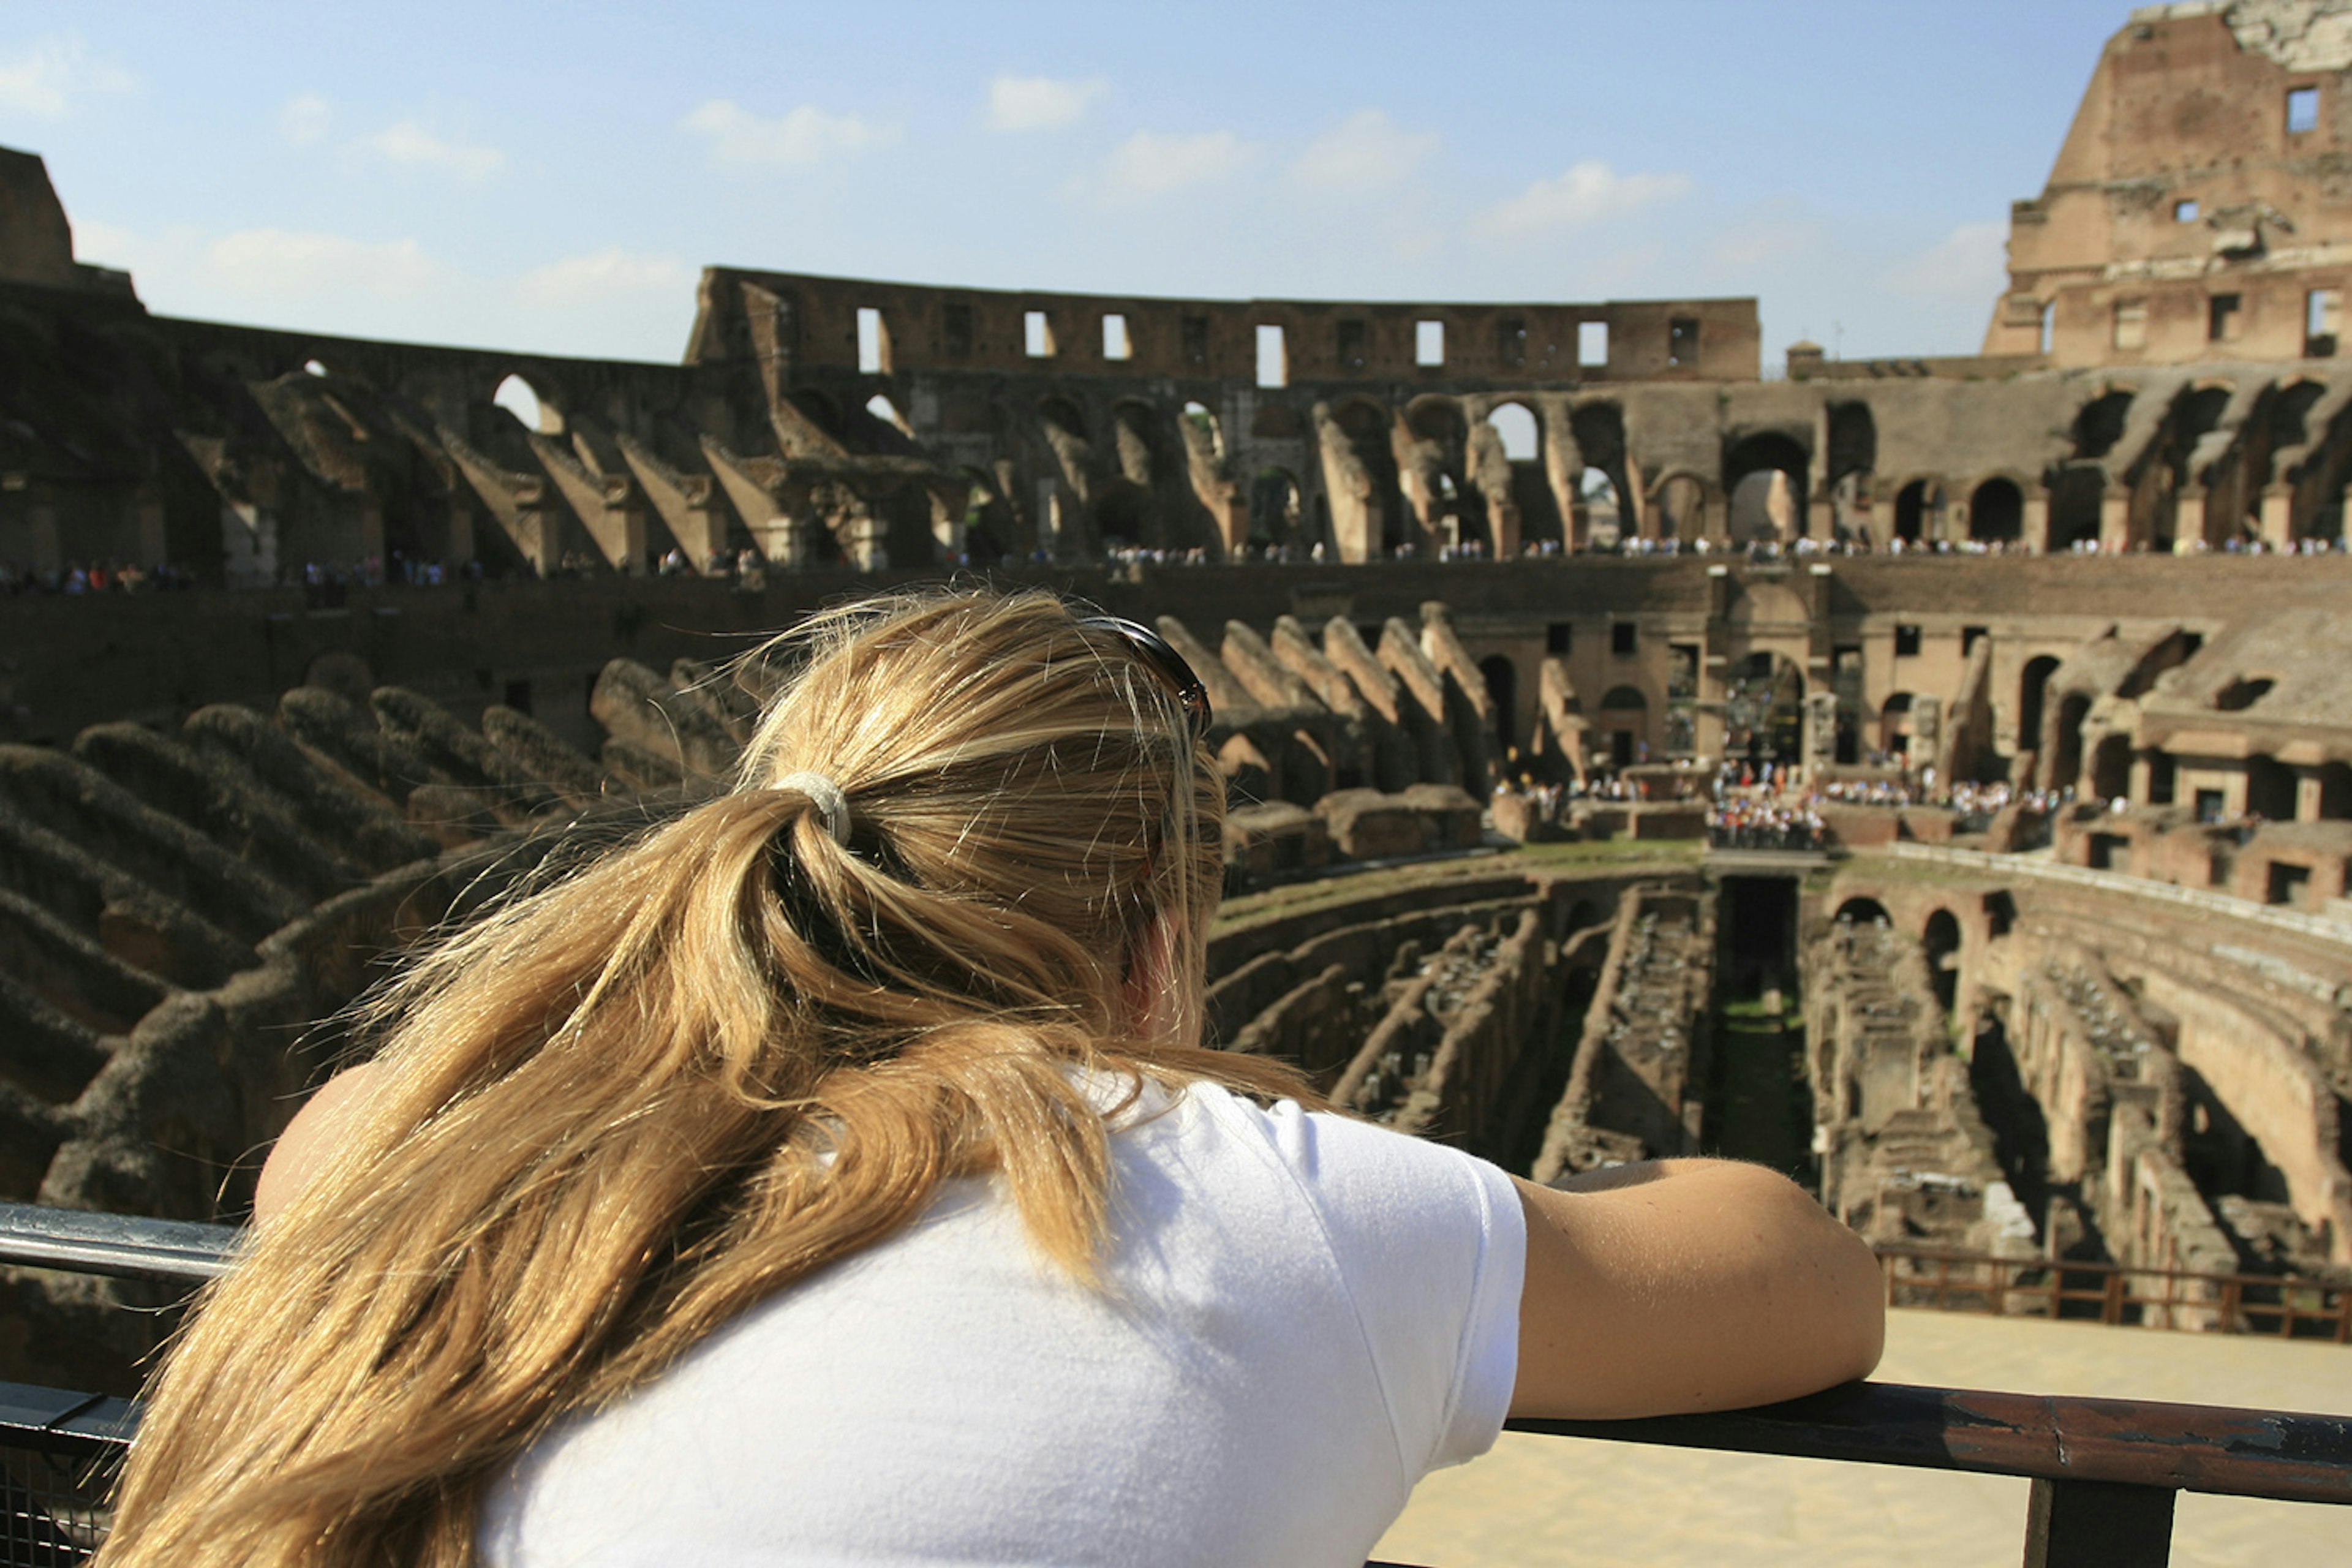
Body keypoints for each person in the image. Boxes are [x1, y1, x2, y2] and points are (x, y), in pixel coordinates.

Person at [99, 589, 1881, 1568]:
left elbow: (340, 1140)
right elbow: (1805, 1278)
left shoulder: (405, 1148)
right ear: (1149, 947)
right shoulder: (1263, 1202)